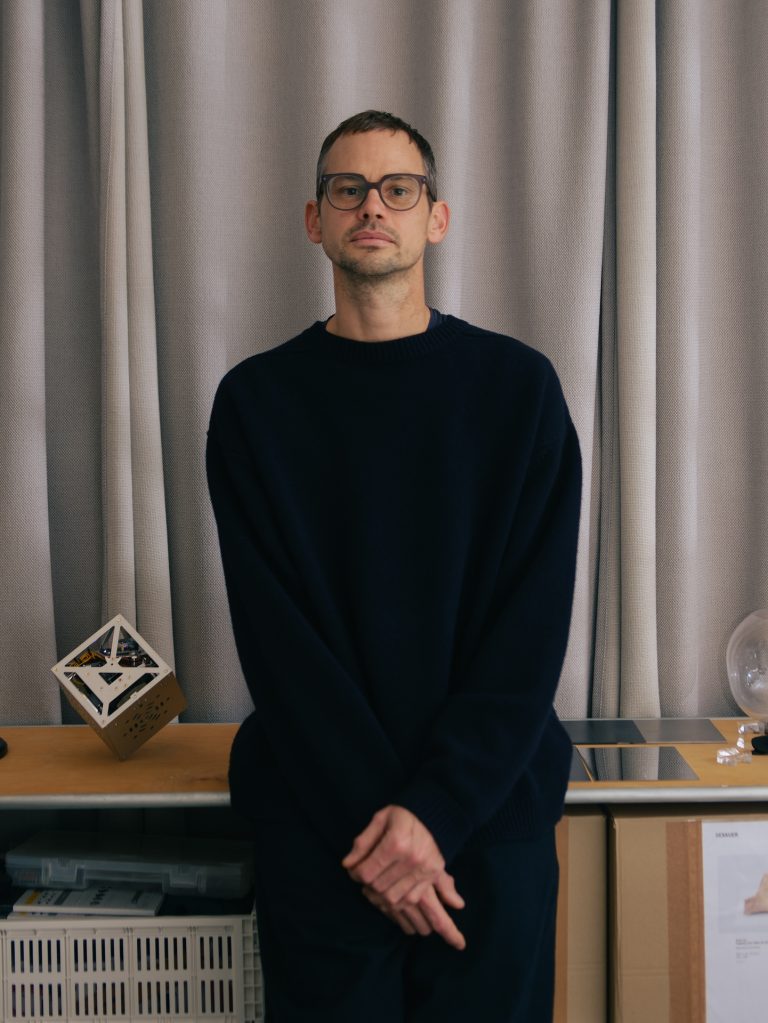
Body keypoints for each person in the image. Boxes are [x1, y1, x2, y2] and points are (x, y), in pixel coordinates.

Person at [206, 110, 581, 1022]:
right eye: (348, 189)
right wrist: (389, 834)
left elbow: (527, 639)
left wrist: (434, 816)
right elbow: (280, 647)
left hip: (488, 823)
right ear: (315, 220)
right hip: (325, 827)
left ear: (435, 218)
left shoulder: (518, 390)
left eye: (397, 189)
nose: (372, 206)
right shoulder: (255, 404)